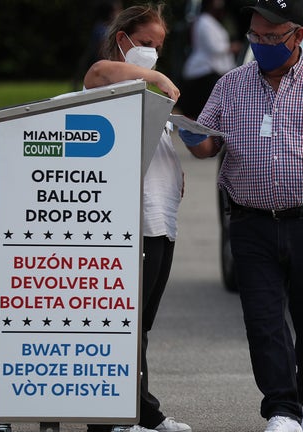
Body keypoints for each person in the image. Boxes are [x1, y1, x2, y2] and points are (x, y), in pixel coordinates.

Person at [177, 1, 303, 431]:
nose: (261, 45)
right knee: (263, 320)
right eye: (254, 36)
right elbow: (209, 146)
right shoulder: (231, 85)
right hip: (251, 222)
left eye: (271, 38)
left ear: (297, 36)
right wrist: (193, 136)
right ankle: (281, 410)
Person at [83, 4, 190, 432]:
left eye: (159, 48)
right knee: (124, 324)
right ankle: (115, 417)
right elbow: (100, 73)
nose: (152, 53)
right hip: (129, 223)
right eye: (146, 44)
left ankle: (143, 411)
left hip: (161, 220)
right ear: (124, 37)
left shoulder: (148, 93)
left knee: (140, 324)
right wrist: (157, 76)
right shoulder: (106, 77)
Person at [179, 0, 241, 119]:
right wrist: (232, 47)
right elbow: (215, 47)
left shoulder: (213, 22)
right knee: (201, 113)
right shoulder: (204, 21)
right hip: (204, 72)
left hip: (214, 71)